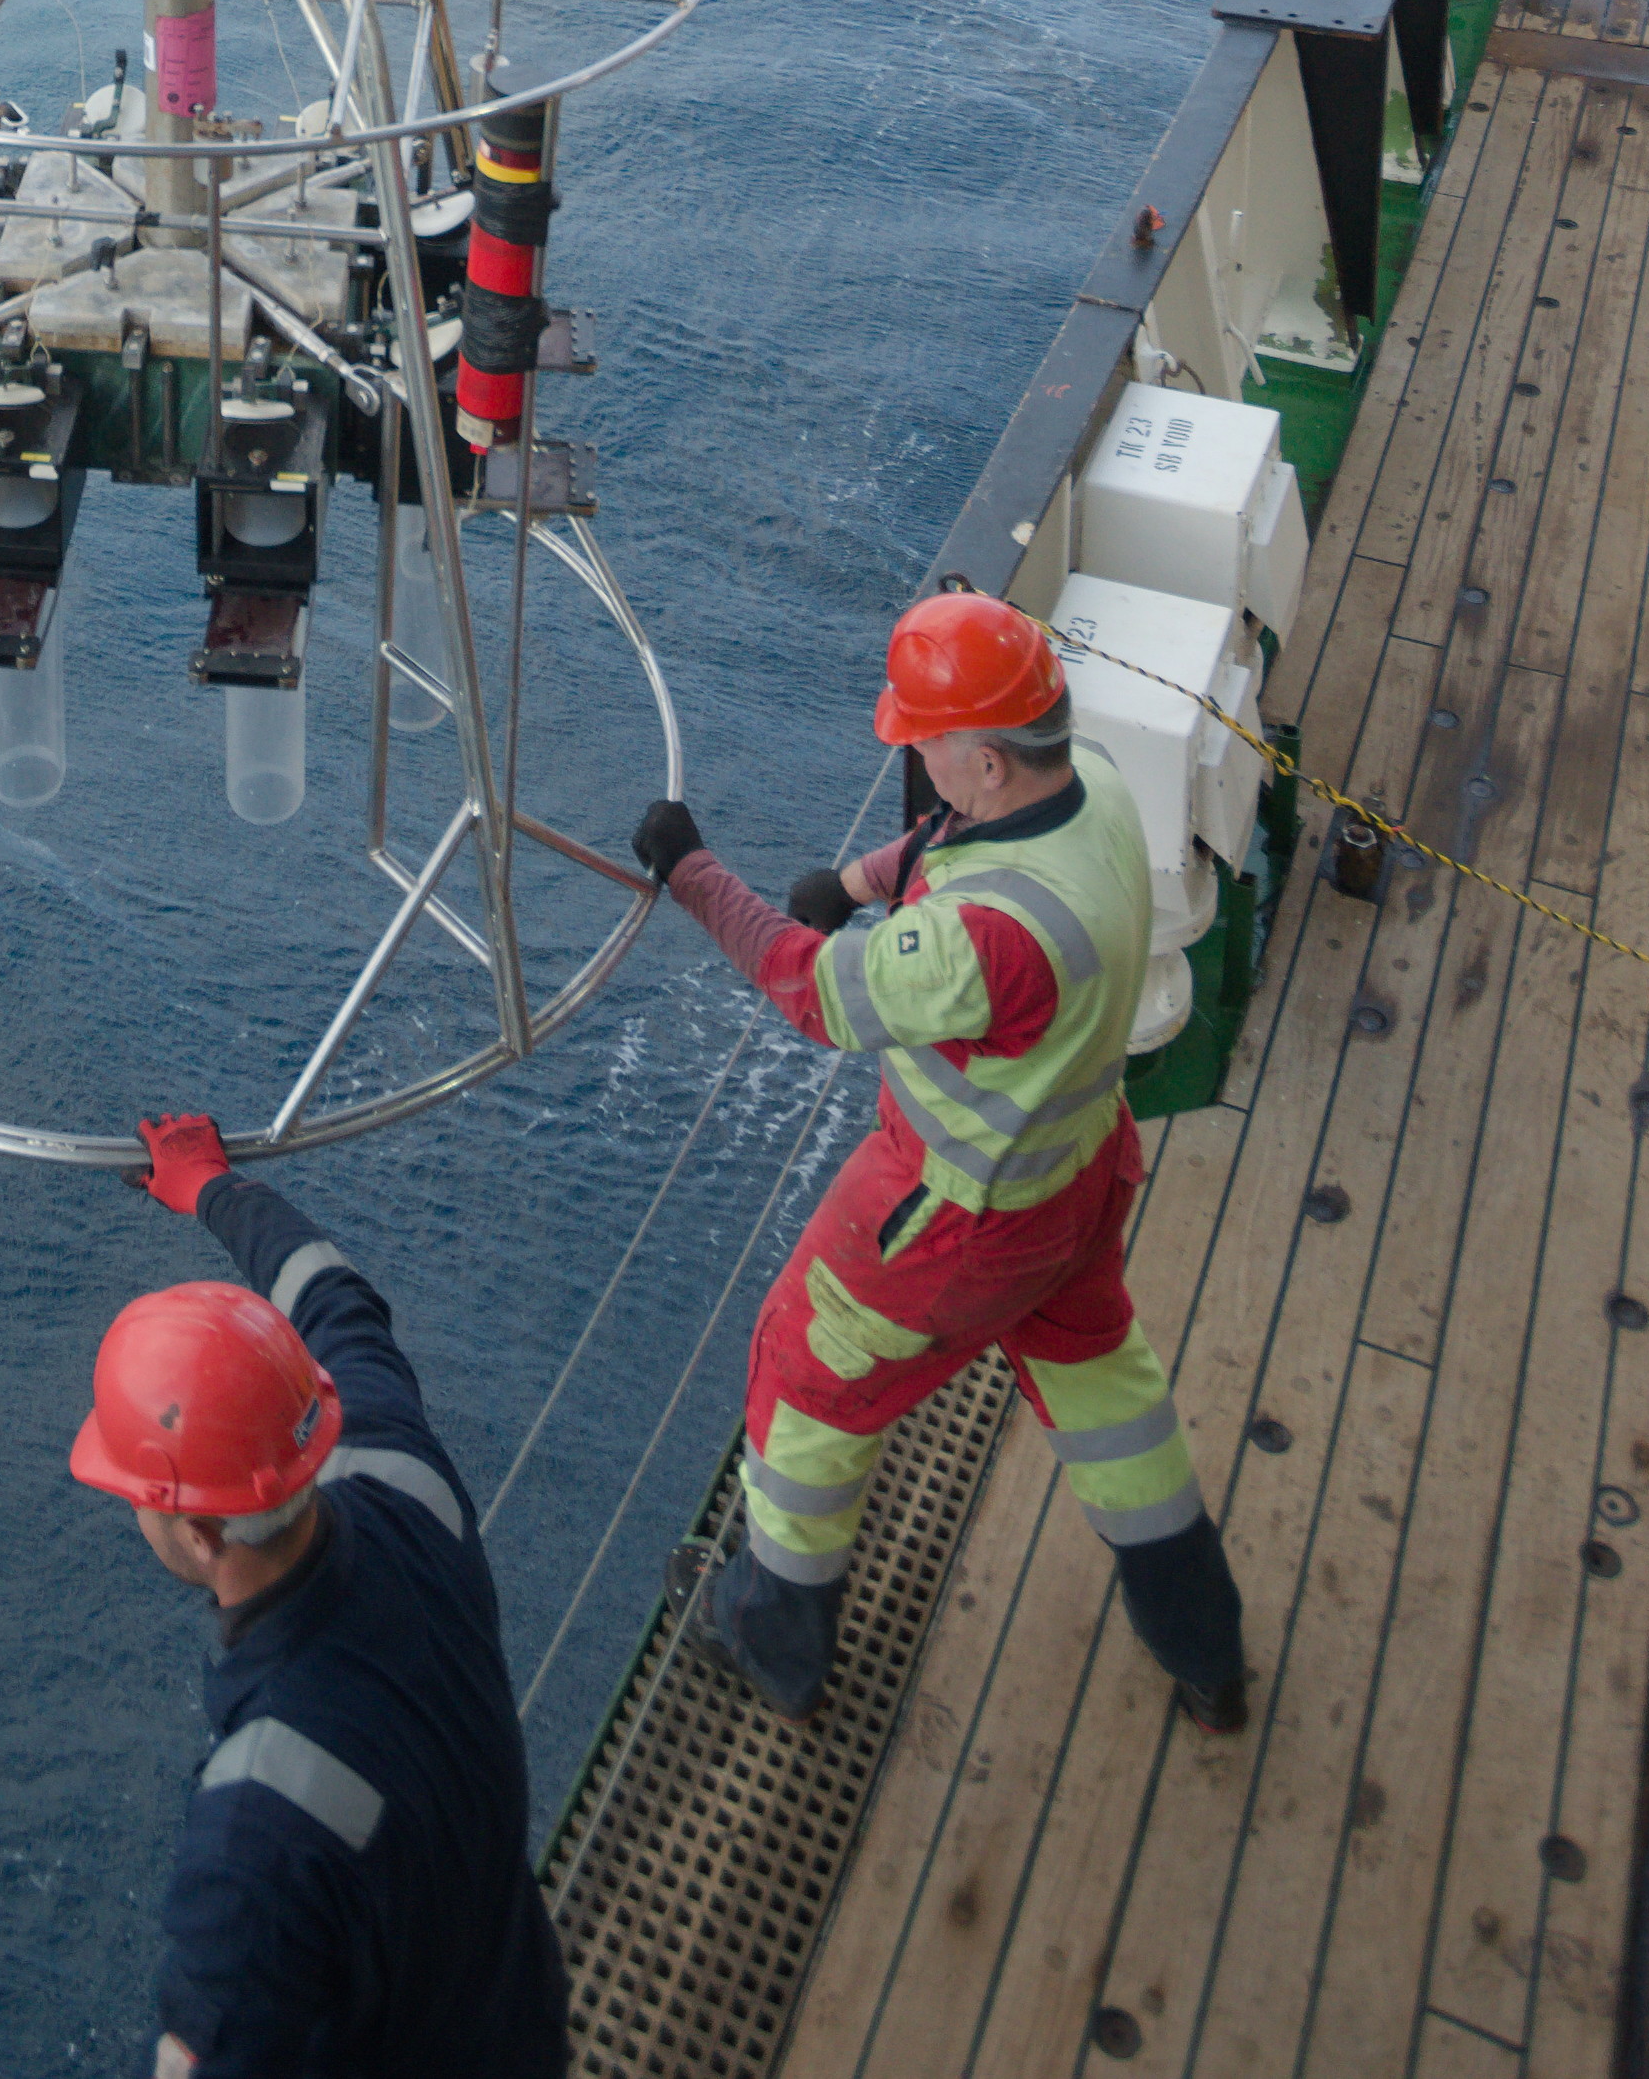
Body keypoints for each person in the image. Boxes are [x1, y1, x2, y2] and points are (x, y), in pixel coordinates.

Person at [631, 585, 1248, 1734]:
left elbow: (813, 989)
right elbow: (956, 837)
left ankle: (771, 1638)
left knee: (802, 1374)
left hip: (959, 1217)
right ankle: (1202, 1642)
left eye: (923, 741)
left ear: (982, 756)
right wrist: (861, 881)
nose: (911, 755)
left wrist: (691, 870)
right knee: (1108, 1396)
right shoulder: (1095, 789)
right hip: (1075, 1178)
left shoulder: (979, 939)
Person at [76, 1111, 567, 2079]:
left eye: (138, 1490)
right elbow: (333, 1295)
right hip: (515, 2007)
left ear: (202, 1528)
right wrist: (213, 1187)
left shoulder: (254, 1832)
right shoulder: (403, 1475)